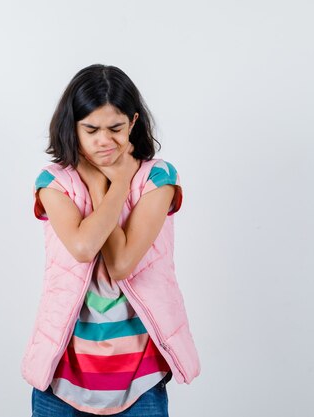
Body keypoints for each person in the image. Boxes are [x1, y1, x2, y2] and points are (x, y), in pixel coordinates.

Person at [22, 64, 201, 417]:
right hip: (61, 376)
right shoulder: (54, 182)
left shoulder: (158, 177)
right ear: (72, 126)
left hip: (140, 377)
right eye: (91, 129)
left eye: (116, 128)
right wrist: (100, 184)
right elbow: (83, 246)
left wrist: (117, 183)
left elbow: (121, 264)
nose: (105, 141)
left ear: (133, 123)